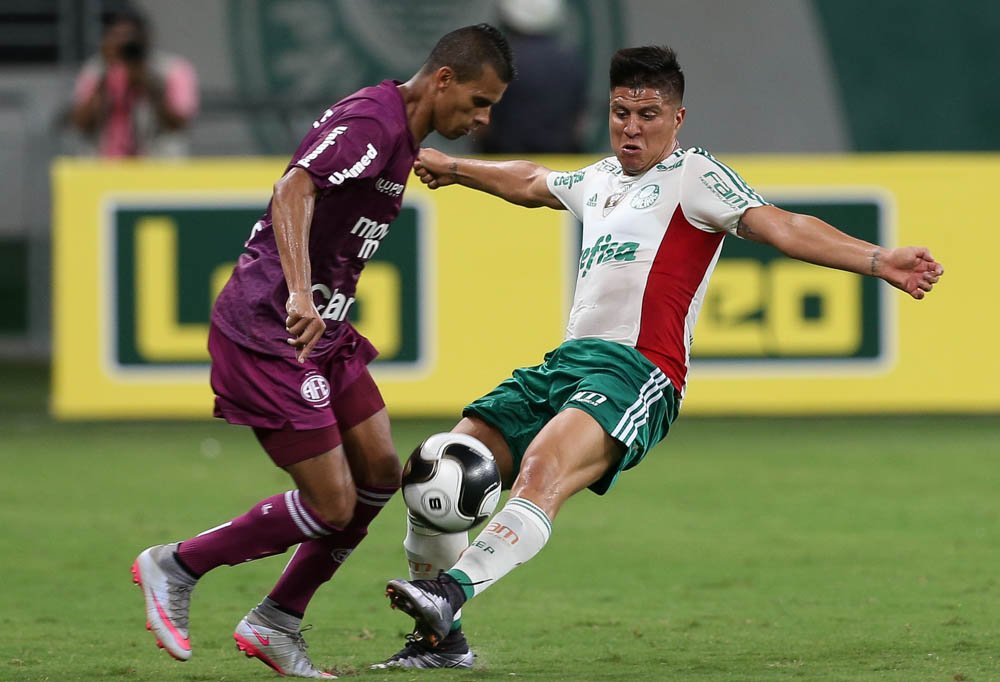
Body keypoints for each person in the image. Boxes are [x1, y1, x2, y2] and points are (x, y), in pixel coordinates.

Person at [375, 45, 944, 669]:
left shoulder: (694, 176)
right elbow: (535, 182)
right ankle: (441, 643)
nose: (632, 127)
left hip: (638, 371)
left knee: (544, 467)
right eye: (621, 112)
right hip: (566, 363)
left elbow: (779, 225)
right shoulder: (600, 179)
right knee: (444, 467)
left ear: (678, 119)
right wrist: (458, 169)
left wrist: (876, 259)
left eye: (648, 114)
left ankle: (446, 594)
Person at [131, 24, 514, 679]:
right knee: (333, 504)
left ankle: (277, 620)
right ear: (443, 80)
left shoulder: (403, 135)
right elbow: (293, 189)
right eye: (478, 102)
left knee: (378, 473)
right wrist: (301, 294)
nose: (482, 118)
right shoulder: (374, 121)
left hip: (326, 334)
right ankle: (177, 564)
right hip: (270, 328)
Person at [70, 8, 199, 157]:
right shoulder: (95, 70)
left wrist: (150, 85)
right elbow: (80, 123)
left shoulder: (172, 70)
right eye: (116, 37)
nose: (123, 44)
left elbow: (180, 124)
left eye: (129, 38)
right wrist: (104, 79)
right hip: (104, 167)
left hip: (158, 166)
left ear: (144, 39)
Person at [473, 0, 587, 154]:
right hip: (560, 166)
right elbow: (578, 124)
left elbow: (482, 125)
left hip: (507, 164)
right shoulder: (572, 59)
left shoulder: (498, 60)